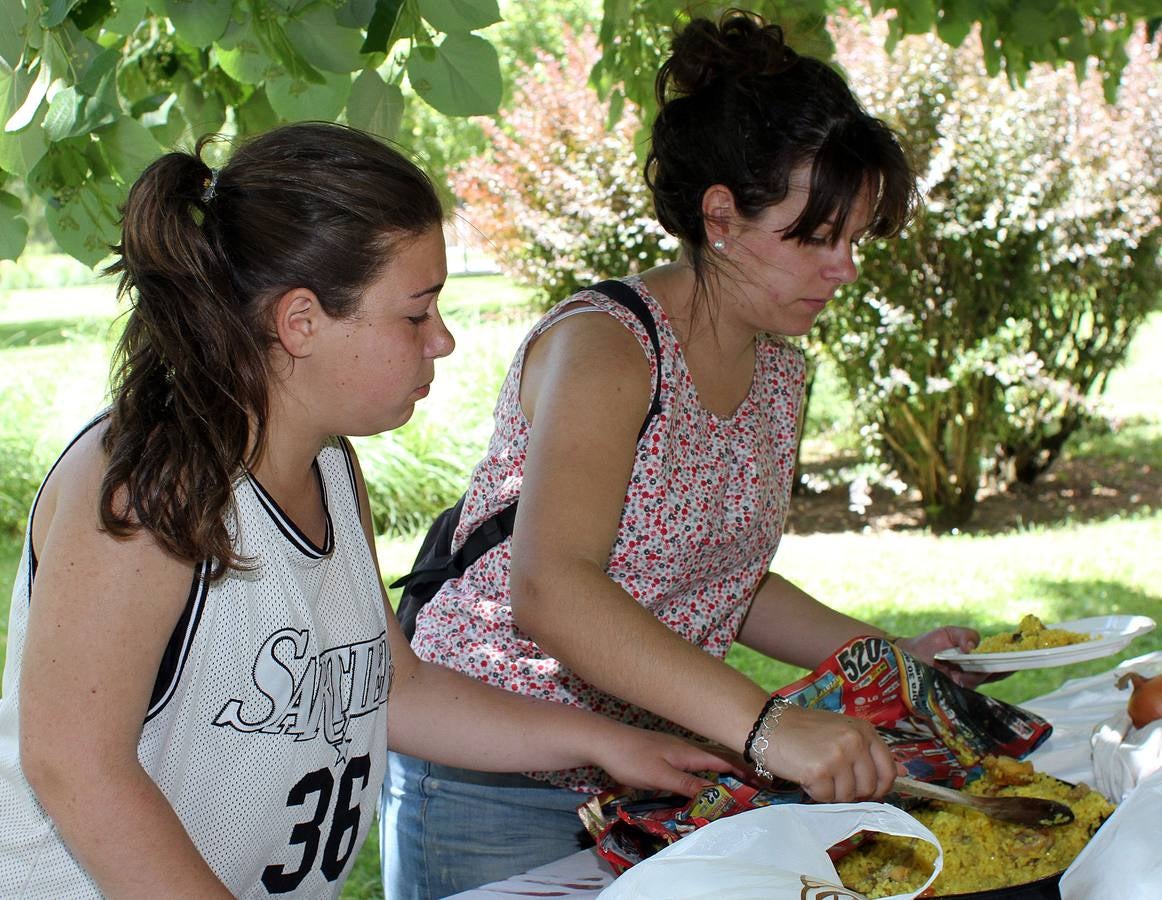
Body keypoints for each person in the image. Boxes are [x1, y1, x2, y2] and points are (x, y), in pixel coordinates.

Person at [0, 122, 741, 899]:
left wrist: (611, 744)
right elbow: (77, 766)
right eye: (416, 313)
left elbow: (396, 690)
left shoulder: (329, 468)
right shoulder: (146, 487)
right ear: (301, 322)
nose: (444, 340)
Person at [383, 10, 987, 898]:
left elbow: (725, 583)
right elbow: (553, 591)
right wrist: (767, 728)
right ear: (721, 218)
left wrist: (892, 658)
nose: (846, 271)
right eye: (816, 238)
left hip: (649, 771)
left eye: (855, 240)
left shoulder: (781, 371)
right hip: (491, 777)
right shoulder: (609, 347)